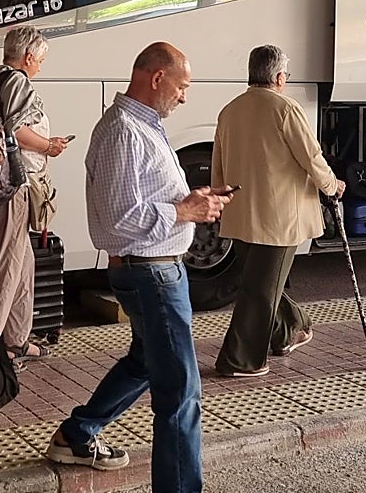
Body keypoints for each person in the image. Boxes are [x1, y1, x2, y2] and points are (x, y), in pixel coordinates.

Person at [45, 42, 230, 493]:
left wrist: (192, 202)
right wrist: (185, 212)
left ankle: (77, 433)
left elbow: (143, 198)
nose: (185, 96)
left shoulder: (141, 126)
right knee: (182, 394)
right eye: (182, 86)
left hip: (155, 269)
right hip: (151, 272)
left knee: (145, 362)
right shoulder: (124, 130)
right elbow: (120, 217)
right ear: (156, 78)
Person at [210, 45, 345, 378]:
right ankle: (240, 360)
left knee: (260, 282)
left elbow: (218, 162)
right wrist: (332, 185)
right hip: (279, 216)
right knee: (261, 288)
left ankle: (289, 331)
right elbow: (311, 157)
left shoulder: (230, 110)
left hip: (240, 212)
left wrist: (218, 199)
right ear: (280, 76)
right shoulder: (285, 108)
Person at [0, 26, 70, 367]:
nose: (41, 66)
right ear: (28, 57)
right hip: (8, 187)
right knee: (8, 265)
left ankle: (14, 341)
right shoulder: (16, 81)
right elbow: (14, 129)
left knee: (22, 260)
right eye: (41, 60)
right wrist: (49, 146)